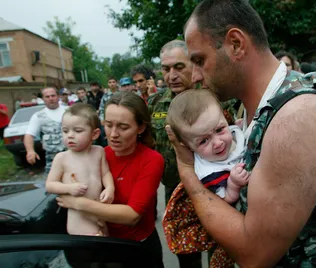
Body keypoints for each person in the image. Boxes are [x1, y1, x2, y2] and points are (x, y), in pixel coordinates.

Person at [166, 0, 316, 266]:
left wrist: (187, 170)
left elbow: (254, 254)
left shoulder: (298, 118)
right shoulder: (256, 106)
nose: (195, 76)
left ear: (235, 44)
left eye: (199, 60)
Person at [56, 92, 164, 267]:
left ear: (141, 127)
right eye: (108, 124)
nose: (113, 134)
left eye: (123, 127)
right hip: (102, 246)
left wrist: (78, 203)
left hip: (137, 249)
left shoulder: (152, 160)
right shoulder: (98, 154)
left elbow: (132, 216)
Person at [148, 39, 203, 268]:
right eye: (166, 68)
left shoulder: (216, 98)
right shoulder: (156, 103)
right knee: (187, 259)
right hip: (175, 193)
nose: (171, 75)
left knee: (222, 256)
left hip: (215, 191)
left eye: (179, 67)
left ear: (193, 65)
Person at [167, 89, 248, 203]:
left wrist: (240, 128)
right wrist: (233, 185)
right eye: (204, 141)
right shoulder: (210, 173)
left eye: (220, 130)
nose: (218, 143)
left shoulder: (230, 131)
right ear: (189, 146)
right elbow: (226, 200)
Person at [46, 103, 114, 236]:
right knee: (89, 244)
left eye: (77, 131)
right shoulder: (62, 158)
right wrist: (69, 189)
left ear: (94, 134)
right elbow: (50, 185)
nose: (70, 135)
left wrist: (110, 188)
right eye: (65, 131)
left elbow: (105, 173)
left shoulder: (99, 151)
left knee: (104, 242)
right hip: (79, 216)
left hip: (99, 209)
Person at [24, 87, 66, 174]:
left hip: (73, 155)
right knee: (54, 184)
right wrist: (30, 151)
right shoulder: (38, 116)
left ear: (58, 96)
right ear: (43, 99)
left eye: (53, 96)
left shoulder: (70, 111)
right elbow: (29, 135)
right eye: (47, 97)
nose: (50, 99)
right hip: (52, 159)